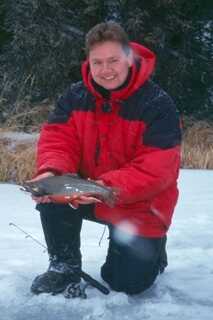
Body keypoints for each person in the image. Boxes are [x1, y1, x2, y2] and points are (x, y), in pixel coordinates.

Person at [30, 21, 182, 296]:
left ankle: (154, 253)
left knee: (127, 283)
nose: (105, 70)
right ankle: (64, 266)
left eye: (113, 60)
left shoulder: (158, 105)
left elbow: (156, 172)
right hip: (87, 193)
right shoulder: (74, 96)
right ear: (88, 62)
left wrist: (98, 186)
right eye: (97, 62)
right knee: (51, 190)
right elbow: (58, 140)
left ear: (128, 58)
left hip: (139, 204)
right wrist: (51, 171)